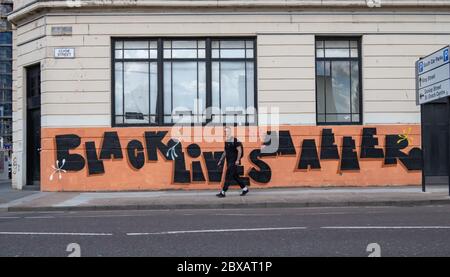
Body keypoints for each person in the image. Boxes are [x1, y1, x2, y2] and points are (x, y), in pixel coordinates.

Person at [216, 126, 249, 198]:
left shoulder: (235, 140)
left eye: (227, 131)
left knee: (228, 177)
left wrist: (237, 160)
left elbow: (239, 151)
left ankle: (223, 192)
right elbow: (225, 152)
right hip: (229, 162)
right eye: (225, 131)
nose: (225, 132)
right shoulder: (226, 141)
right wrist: (220, 160)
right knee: (236, 177)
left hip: (233, 162)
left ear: (230, 132)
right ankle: (245, 189)